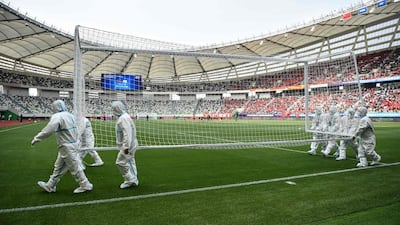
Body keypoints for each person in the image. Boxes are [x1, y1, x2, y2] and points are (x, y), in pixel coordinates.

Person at [31, 100, 93, 194]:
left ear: (56, 107)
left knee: (74, 167)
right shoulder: (70, 115)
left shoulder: (57, 116)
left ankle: (85, 185)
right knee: (59, 166)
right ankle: (50, 185)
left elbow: (49, 130)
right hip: (72, 144)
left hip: (66, 145)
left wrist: (37, 138)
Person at [111, 101, 139, 189]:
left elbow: (127, 134)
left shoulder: (123, 118)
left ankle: (130, 180)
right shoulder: (125, 116)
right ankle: (133, 179)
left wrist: (126, 147)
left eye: (113, 109)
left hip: (128, 145)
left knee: (120, 162)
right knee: (130, 161)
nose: (112, 110)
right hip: (130, 144)